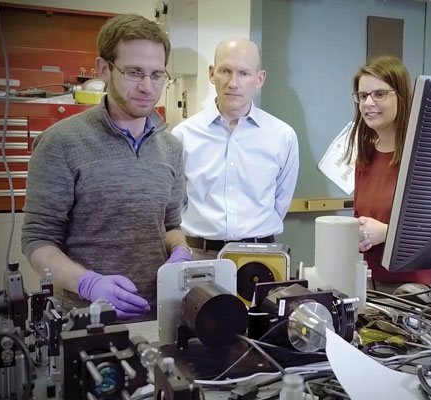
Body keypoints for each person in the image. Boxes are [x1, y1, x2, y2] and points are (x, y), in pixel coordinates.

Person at [21, 14, 192, 320]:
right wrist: (88, 283)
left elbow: (169, 226)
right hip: (85, 320)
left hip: (159, 315)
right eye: (134, 72)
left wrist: (180, 249)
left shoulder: (172, 147)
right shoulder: (60, 142)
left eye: (156, 75)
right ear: (104, 69)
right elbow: (38, 241)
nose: (146, 86)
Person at [171, 38, 299, 258]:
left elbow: (280, 203)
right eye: (225, 71)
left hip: (262, 256)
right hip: (199, 255)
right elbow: (175, 203)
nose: (233, 82)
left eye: (244, 73)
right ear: (212, 74)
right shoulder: (183, 135)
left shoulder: (282, 136)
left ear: (259, 79)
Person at [345, 56, 431, 287]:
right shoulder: (366, 158)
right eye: (363, 96)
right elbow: (362, 216)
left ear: (401, 96)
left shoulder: (428, 157)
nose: (368, 103)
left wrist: (388, 233)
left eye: (379, 94)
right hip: (376, 285)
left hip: (422, 289)